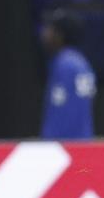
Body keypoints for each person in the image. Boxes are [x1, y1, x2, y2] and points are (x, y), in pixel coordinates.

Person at [39, 9, 96, 140]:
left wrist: (48, 144)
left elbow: (62, 114)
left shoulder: (65, 64)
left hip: (66, 144)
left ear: (60, 35)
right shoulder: (80, 61)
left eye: (49, 29)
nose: (44, 34)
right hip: (82, 142)